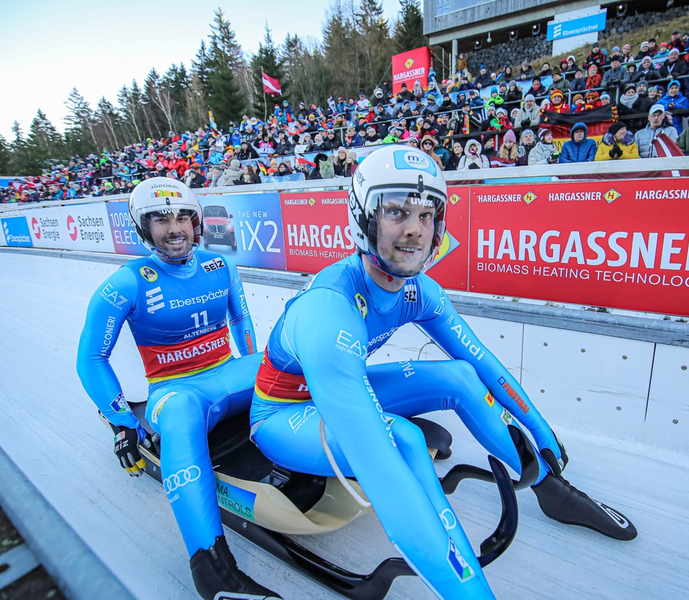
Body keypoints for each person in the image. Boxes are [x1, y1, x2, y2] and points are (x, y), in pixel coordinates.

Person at [248, 145, 636, 600]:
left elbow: (481, 362)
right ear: (364, 219)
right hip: (281, 415)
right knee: (403, 440)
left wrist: (541, 434)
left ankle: (553, 492)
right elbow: (378, 461)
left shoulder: (418, 290)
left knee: (459, 377)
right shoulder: (329, 307)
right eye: (396, 211)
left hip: (336, 389)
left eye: (426, 213)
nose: (414, 229)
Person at [76, 178, 281, 600]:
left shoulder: (219, 266)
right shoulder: (126, 282)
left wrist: (263, 381)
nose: (175, 229)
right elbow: (91, 358)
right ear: (142, 228)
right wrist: (122, 423)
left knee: (295, 357)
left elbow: (241, 323)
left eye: (183, 218)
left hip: (231, 373)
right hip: (176, 392)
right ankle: (212, 569)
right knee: (184, 413)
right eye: (160, 220)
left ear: (196, 222)